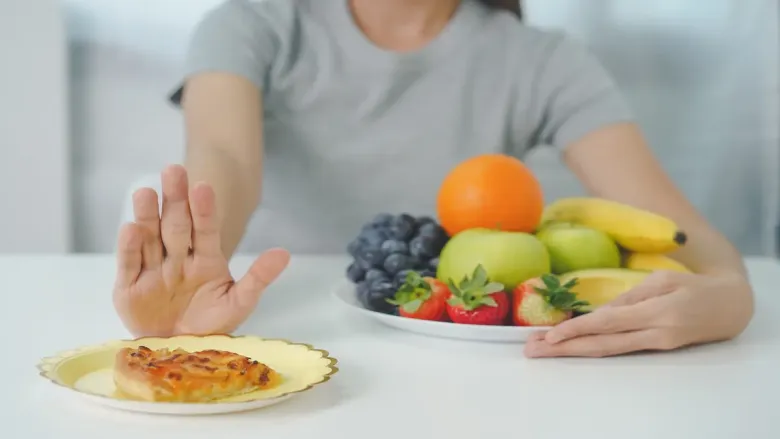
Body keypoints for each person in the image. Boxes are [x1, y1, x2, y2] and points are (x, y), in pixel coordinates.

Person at [113, 0, 754, 358]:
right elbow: (226, 156)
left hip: (472, 354)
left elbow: (671, 227)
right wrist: (199, 256)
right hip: (297, 333)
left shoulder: (543, 60)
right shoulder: (251, 24)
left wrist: (730, 294)